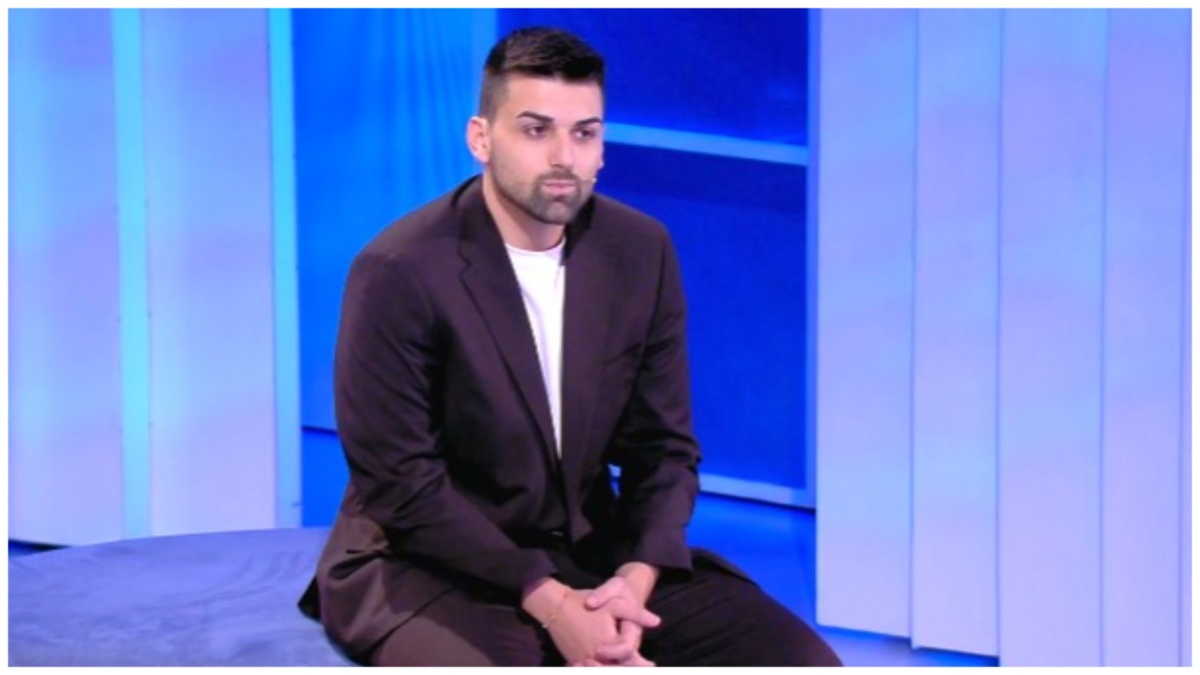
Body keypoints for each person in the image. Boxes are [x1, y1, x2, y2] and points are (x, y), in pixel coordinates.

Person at [298, 26, 842, 668]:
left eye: (585, 133)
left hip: (592, 553)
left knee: (801, 660)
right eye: (536, 130)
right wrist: (551, 602)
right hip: (427, 562)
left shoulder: (639, 250)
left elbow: (663, 448)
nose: (565, 157)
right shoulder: (400, 270)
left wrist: (633, 581)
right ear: (481, 138)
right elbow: (403, 484)